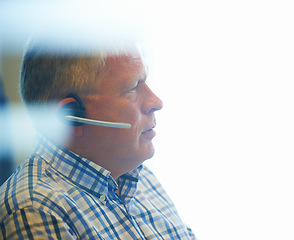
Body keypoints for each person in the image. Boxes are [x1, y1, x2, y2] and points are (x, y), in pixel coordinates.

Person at [0, 38, 196, 239]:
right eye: (132, 88)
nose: (156, 102)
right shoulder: (36, 210)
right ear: (70, 116)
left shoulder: (142, 179)